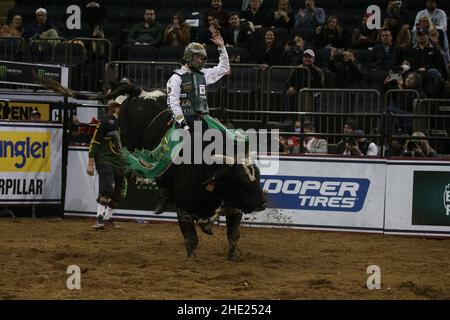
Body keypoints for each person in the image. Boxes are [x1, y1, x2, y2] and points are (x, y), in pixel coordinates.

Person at [150, 31, 231, 215]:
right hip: (184, 122)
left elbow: (224, 67)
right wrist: (183, 124)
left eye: (202, 58)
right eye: (197, 57)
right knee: (172, 156)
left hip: (204, 120)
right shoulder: (177, 77)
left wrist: (221, 47)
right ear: (188, 56)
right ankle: (164, 193)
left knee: (225, 144)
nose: (200, 61)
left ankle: (215, 186)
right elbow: (172, 102)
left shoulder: (204, 74)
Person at [87, 97, 127, 229]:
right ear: (116, 107)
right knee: (107, 187)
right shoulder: (105, 122)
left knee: (119, 190)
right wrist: (91, 162)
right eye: (122, 106)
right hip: (104, 158)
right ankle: (99, 218)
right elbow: (95, 141)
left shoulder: (126, 124)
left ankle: (107, 219)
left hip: (118, 160)